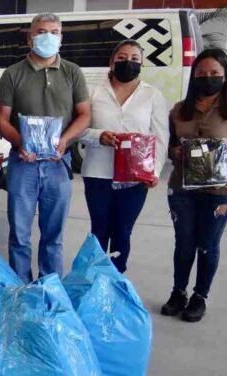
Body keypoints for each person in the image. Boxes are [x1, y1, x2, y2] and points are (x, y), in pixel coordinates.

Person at [0, 13, 91, 282]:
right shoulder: (13, 74)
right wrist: (20, 141)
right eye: (40, 31)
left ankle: (51, 290)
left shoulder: (72, 72)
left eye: (53, 31)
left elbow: (84, 114)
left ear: (61, 37)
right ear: (30, 37)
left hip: (58, 164)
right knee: (20, 235)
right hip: (22, 163)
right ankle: (21, 289)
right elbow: (1, 118)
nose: (47, 36)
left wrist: (64, 140)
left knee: (53, 236)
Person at [161, 48, 227, 322]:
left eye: (215, 74)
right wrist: (174, 152)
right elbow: (168, 145)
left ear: (225, 77)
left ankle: (199, 296)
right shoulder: (179, 110)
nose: (208, 78)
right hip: (182, 190)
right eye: (201, 74)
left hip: (219, 193)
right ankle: (178, 292)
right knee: (184, 243)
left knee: (208, 244)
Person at [80, 40, 168, 273]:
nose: (127, 63)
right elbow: (77, 129)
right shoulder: (93, 92)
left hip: (135, 176)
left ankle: (116, 281)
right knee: (99, 229)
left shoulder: (153, 95)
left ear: (141, 64)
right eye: (121, 58)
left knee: (122, 231)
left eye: (134, 59)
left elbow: (160, 137)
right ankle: (93, 281)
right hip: (98, 173)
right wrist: (99, 136)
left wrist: (155, 171)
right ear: (111, 61)